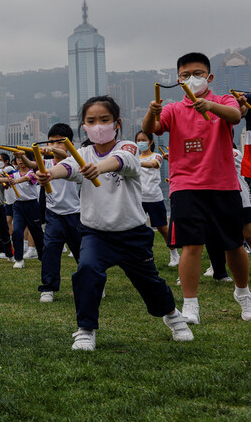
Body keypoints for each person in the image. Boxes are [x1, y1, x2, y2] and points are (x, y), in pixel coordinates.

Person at [37, 96, 193, 350]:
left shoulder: (129, 146)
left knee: (150, 283)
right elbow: (67, 167)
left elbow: (123, 161)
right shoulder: (83, 153)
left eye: (104, 120)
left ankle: (173, 316)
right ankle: (86, 329)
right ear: (83, 126)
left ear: (117, 123)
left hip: (132, 234)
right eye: (91, 121)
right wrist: (48, 173)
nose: (98, 125)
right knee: (86, 270)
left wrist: (97, 168)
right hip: (95, 234)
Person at [142, 52, 251, 324]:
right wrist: (150, 113)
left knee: (234, 245)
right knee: (191, 245)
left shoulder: (222, 100)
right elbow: (152, 129)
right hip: (185, 186)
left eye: (198, 73)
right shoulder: (172, 109)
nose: (192, 78)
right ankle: (190, 305)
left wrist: (209, 107)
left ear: (209, 76)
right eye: (185, 74)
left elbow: (236, 115)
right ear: (178, 80)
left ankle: (243, 293)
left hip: (223, 184)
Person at [37, 124, 83, 303]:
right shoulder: (46, 163)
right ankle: (48, 287)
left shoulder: (75, 159)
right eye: (51, 141)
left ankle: (93, 282)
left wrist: (54, 149)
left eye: (59, 142)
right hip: (54, 214)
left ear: (70, 144)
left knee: (82, 252)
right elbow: (33, 164)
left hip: (75, 214)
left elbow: (69, 157)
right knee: (50, 250)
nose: (54, 145)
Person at [134, 131, 176, 267]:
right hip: (138, 198)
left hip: (154, 198)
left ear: (151, 142)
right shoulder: (136, 157)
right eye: (138, 140)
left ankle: (174, 255)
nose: (141, 142)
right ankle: (141, 255)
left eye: (143, 140)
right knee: (137, 228)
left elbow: (154, 164)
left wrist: (135, 162)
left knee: (163, 228)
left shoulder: (156, 156)